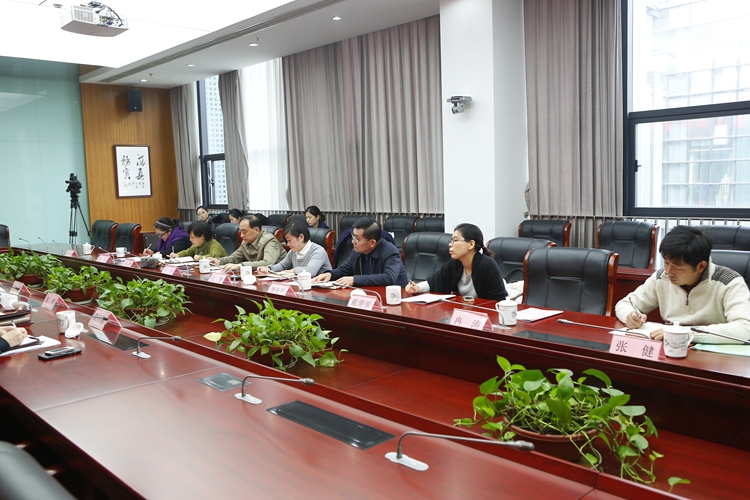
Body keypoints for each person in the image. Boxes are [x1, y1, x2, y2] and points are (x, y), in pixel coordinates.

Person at [615, 225, 750, 344]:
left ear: (701, 266)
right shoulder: (661, 277)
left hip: (712, 353)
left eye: (678, 268)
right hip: (669, 347)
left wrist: (686, 333)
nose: (669, 272)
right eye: (666, 263)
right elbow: (624, 304)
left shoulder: (729, 282)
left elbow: (745, 327)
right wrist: (630, 315)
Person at [405, 223, 507, 301]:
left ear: (471, 244)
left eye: (455, 240)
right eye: (451, 241)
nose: (450, 244)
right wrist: (417, 287)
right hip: (466, 311)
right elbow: (435, 282)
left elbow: (498, 300)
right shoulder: (455, 263)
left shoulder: (487, 265)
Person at [313, 217, 408, 287]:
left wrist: (354, 280)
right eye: (353, 236)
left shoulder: (390, 252)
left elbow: (389, 278)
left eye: (357, 239)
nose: (353, 241)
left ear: (372, 242)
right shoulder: (357, 251)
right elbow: (344, 269)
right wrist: (330, 274)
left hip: (393, 298)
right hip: (368, 295)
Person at [209, 215, 287, 271]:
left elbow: (268, 263)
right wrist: (219, 261)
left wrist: (241, 266)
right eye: (240, 231)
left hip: (279, 277)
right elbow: (234, 258)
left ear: (256, 230)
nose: (241, 235)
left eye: (244, 232)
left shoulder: (269, 240)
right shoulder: (246, 241)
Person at [257, 222, 332, 277]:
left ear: (301, 237)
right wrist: (268, 269)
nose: (288, 244)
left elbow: (310, 272)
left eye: (289, 240)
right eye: (286, 241)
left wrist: (293, 270)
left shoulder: (318, 251)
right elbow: (282, 265)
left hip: (322, 290)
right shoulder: (293, 251)